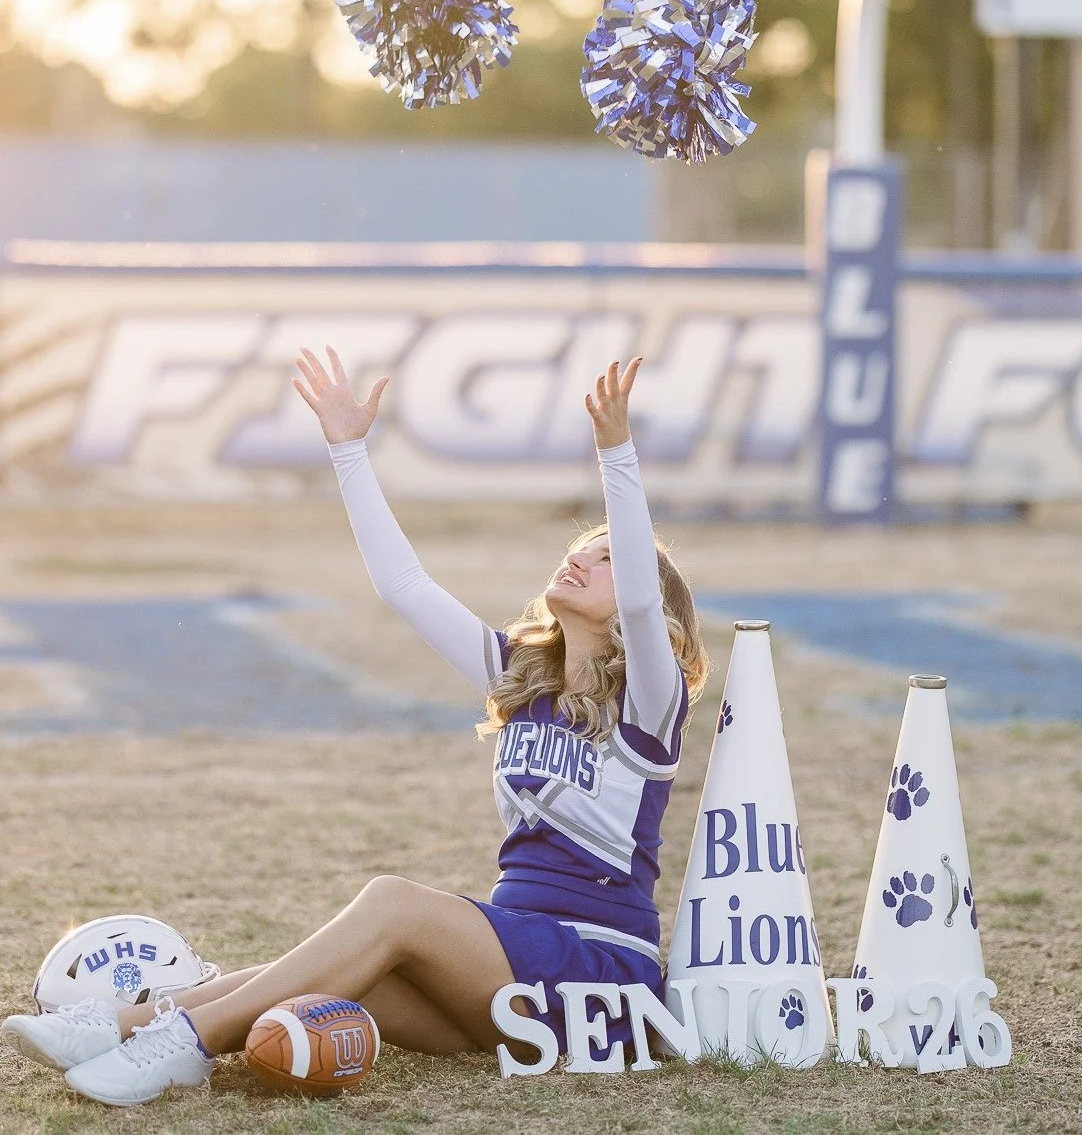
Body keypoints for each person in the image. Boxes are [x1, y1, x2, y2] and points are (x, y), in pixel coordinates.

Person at [1, 349, 709, 1106]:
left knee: (392, 899)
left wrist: (615, 451)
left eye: (602, 558)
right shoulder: (517, 675)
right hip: (503, 968)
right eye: (577, 550)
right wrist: (347, 447)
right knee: (313, 975)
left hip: (597, 976)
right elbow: (402, 584)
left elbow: (639, 594)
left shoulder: (649, 705)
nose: (579, 560)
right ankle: (123, 1023)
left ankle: (183, 1047)